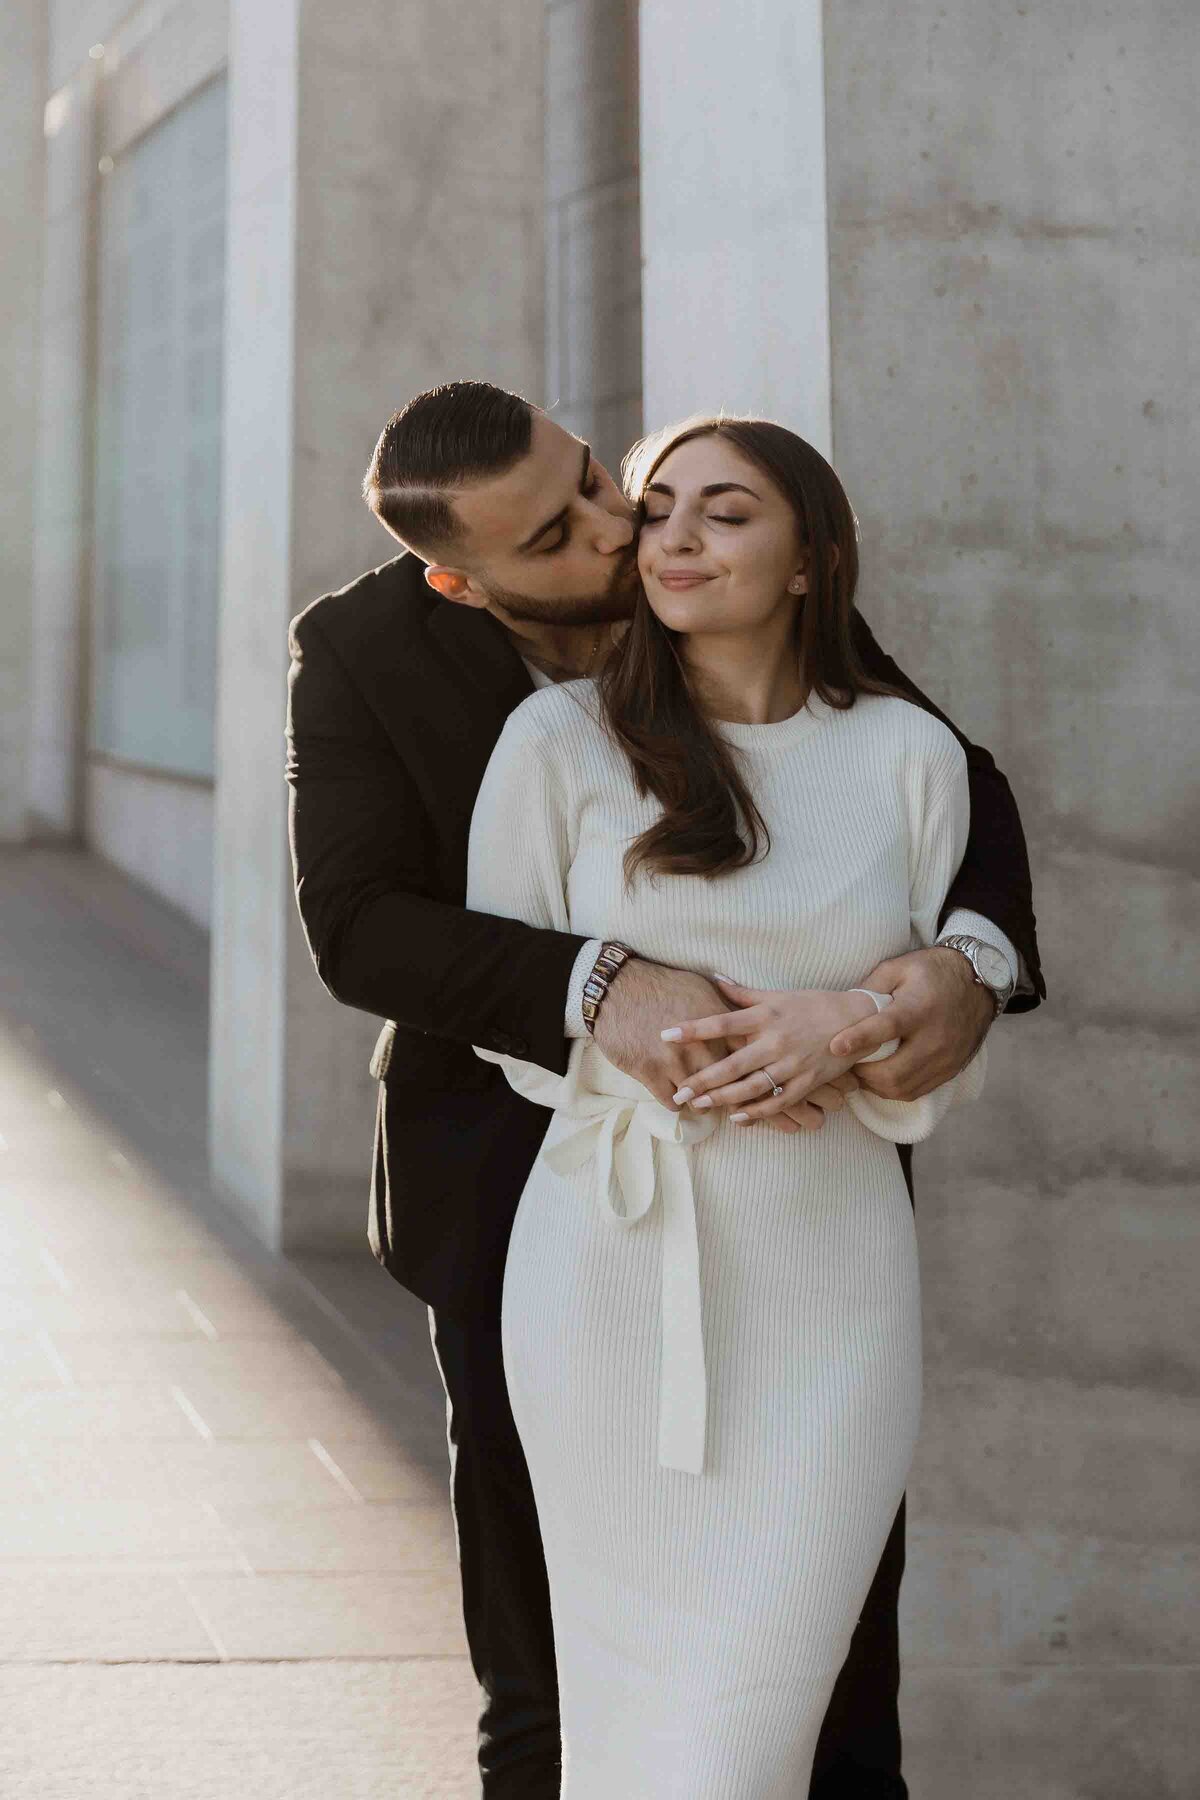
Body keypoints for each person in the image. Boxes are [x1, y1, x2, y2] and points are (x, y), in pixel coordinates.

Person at [285, 381, 1044, 1799]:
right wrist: (600, 987)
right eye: (557, 528)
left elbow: (948, 780)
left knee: (827, 1652)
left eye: (590, 476)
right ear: (461, 577)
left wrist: (963, 967)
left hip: (811, 1193)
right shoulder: (362, 653)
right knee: (553, 1663)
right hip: (529, 1179)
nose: (617, 526)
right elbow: (360, 925)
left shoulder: (707, 554)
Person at [465, 411, 1003, 1795]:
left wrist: (863, 1023)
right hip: (607, 1262)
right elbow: (507, 1014)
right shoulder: (556, 741)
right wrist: (646, 1028)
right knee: (629, 1723)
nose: (676, 538)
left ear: (815, 558)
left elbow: (945, 1008)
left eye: (728, 510)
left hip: (833, 1277)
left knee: (760, 1716)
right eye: (657, 511)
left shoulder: (910, 756)